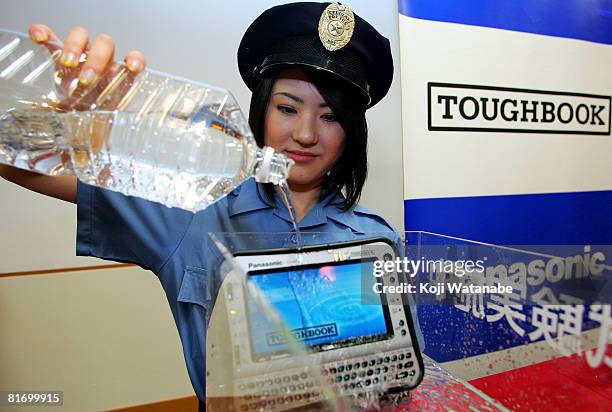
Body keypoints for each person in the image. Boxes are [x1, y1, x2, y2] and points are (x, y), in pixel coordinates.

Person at [0, 2, 410, 408]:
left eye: (330, 116)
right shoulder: (190, 212)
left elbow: (398, 379)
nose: (304, 134)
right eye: (287, 108)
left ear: (351, 133)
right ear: (260, 113)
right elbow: (15, 162)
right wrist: (60, 114)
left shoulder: (376, 239)